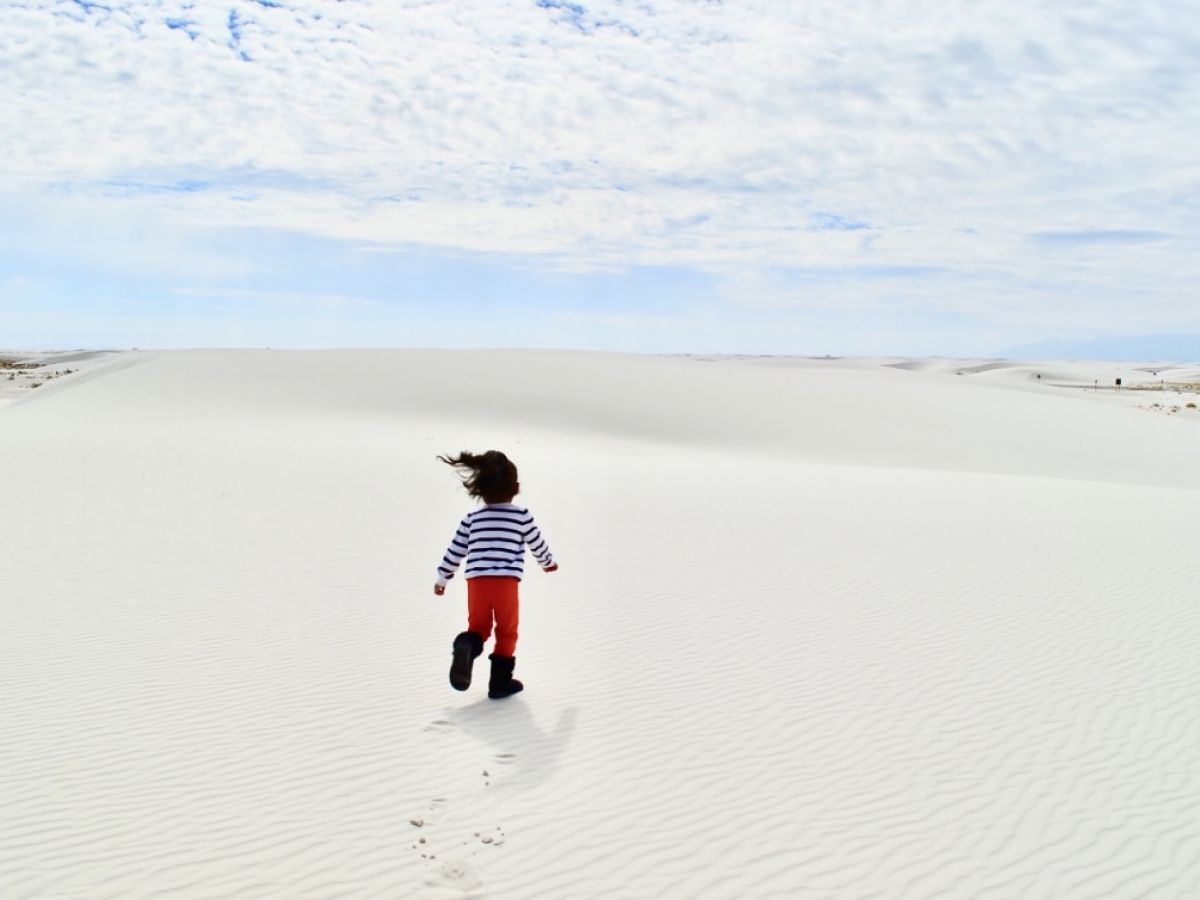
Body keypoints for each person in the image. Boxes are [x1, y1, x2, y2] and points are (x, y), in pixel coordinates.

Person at [434, 450, 557, 699]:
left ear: (480, 489)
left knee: (478, 628)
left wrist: (442, 578)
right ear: (515, 487)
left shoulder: (472, 518)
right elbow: (537, 543)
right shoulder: (521, 516)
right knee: (507, 631)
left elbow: (455, 550)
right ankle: (499, 683)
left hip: (476, 583)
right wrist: (547, 562)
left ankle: (466, 646)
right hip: (505, 584)